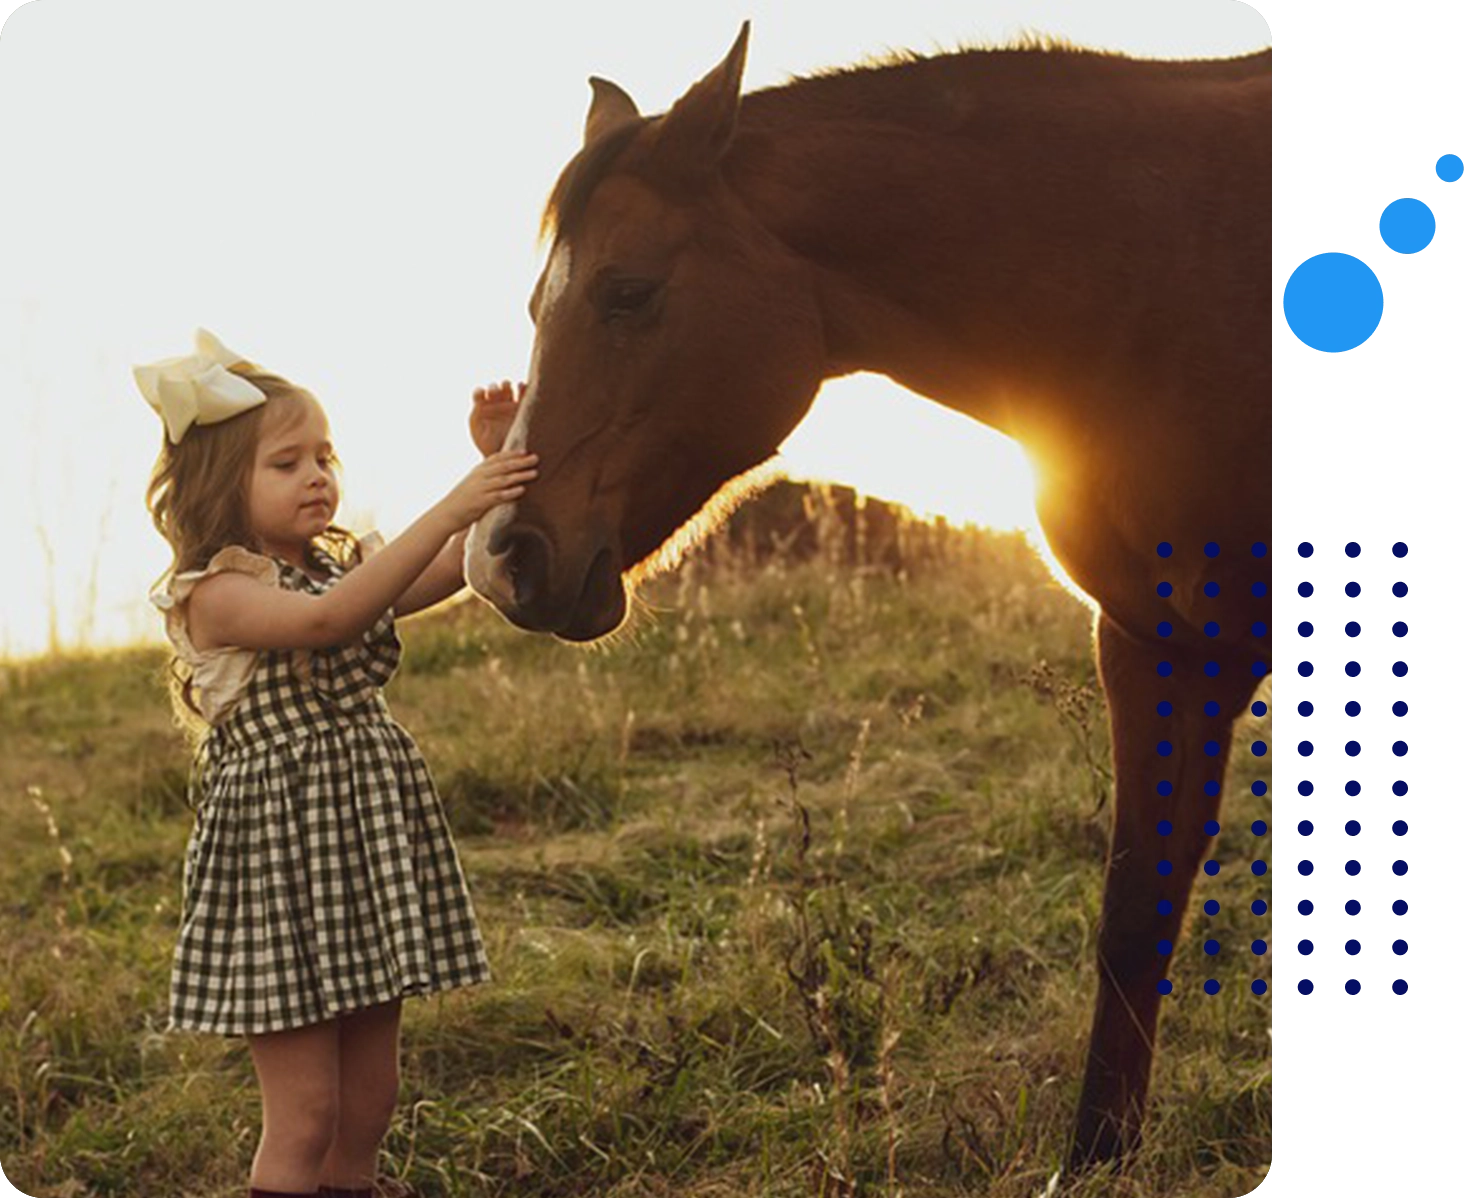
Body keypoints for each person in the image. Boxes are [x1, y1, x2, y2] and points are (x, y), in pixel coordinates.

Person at [138, 328, 538, 1198]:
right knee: (308, 1112)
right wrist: (455, 502)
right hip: (281, 872)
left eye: (325, 456)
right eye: (287, 463)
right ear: (220, 486)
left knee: (370, 1099)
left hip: (361, 850)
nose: (318, 475)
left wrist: (503, 462)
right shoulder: (217, 592)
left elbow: (450, 573)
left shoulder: (334, 566)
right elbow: (332, 623)